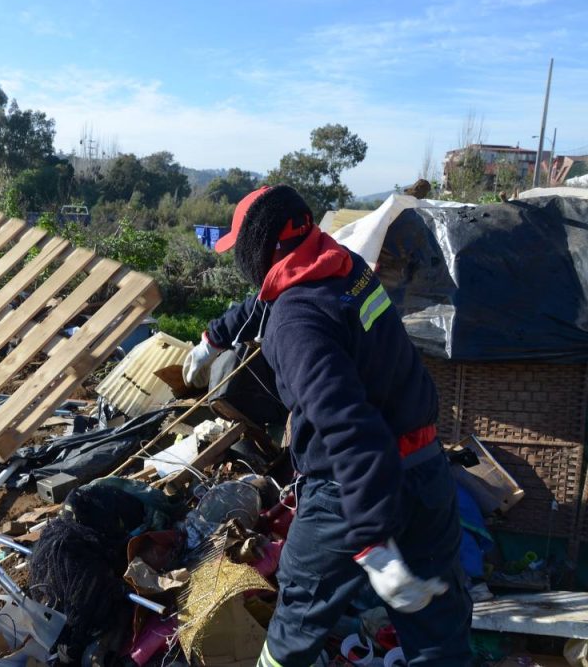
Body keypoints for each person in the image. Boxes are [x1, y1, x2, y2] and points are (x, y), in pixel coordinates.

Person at [182, 185, 472, 666]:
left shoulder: (295, 324)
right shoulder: (343, 268)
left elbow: (351, 430)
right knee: (438, 630)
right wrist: (214, 338)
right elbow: (273, 296)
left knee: (296, 624)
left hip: (350, 490)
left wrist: (369, 537)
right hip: (426, 472)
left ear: (259, 248)